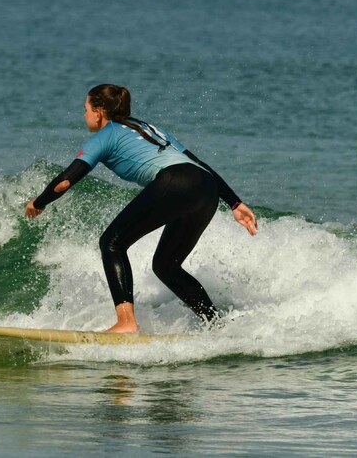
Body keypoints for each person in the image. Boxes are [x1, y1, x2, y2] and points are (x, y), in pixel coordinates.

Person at [25, 84, 257, 333]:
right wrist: (234, 202)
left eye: (86, 109)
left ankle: (126, 322)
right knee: (166, 266)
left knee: (111, 243)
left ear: (99, 112)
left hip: (175, 181)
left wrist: (37, 203)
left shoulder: (104, 136)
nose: (84, 115)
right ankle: (215, 324)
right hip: (207, 188)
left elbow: (65, 181)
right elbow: (199, 164)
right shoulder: (148, 128)